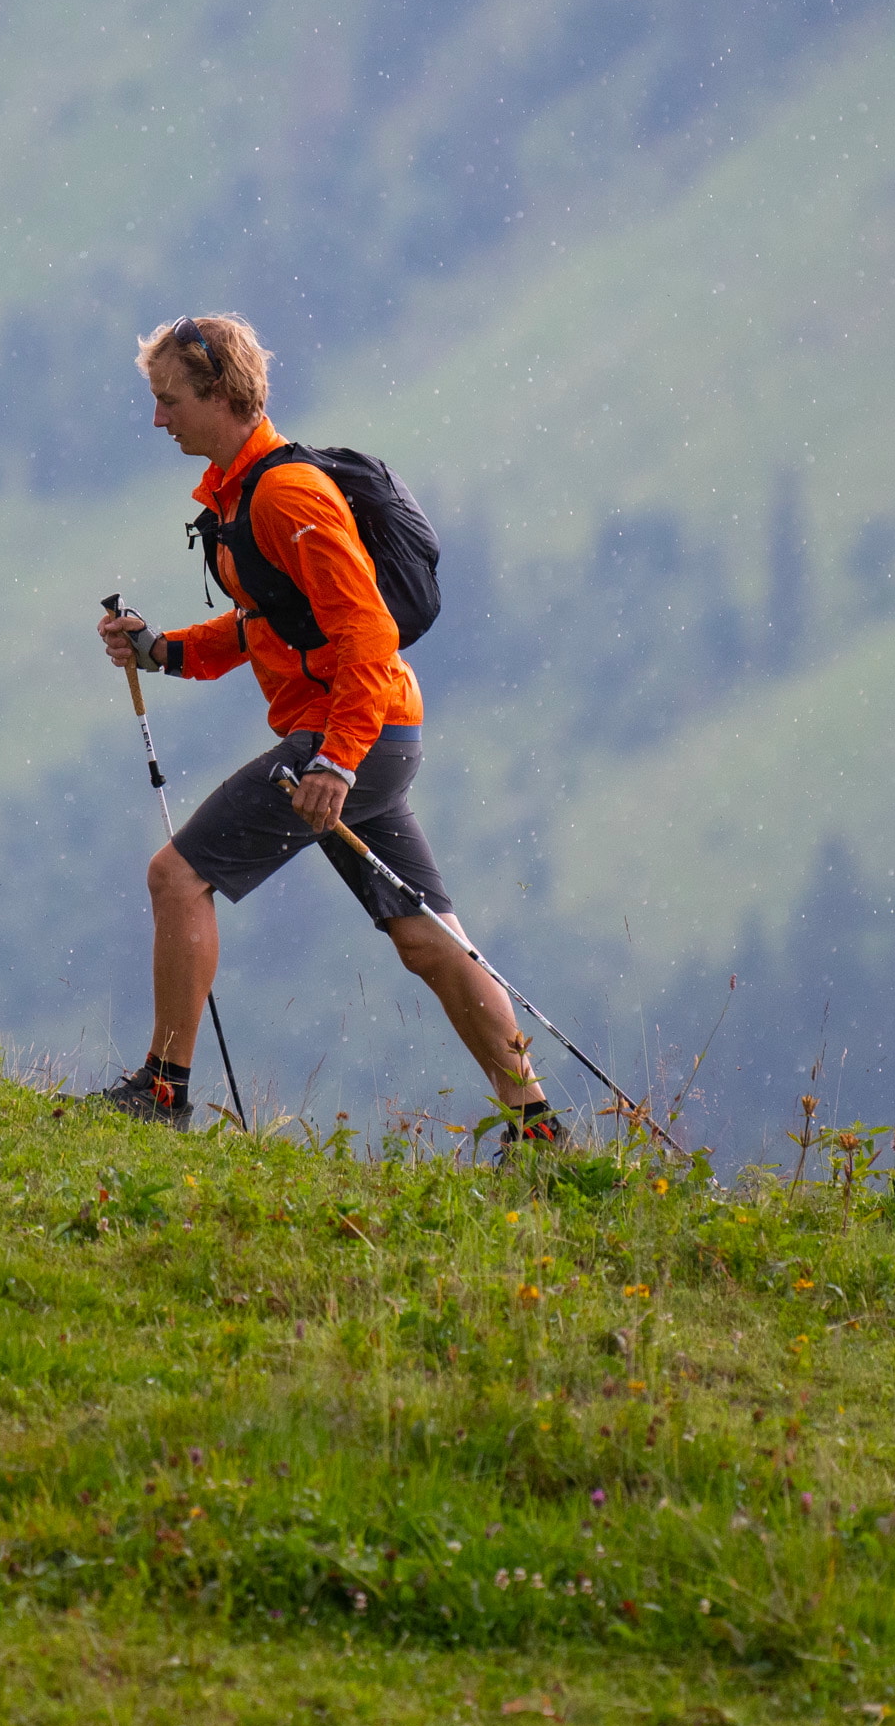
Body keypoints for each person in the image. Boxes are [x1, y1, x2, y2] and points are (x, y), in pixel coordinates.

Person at [90, 314, 561, 1147]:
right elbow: (267, 625)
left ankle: (162, 1090)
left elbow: (368, 633)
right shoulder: (243, 493)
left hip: (354, 735)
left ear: (221, 394)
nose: (157, 419)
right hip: (375, 732)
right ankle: (539, 1131)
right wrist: (163, 650)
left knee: (176, 876)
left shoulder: (286, 495)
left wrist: (338, 761)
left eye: (168, 400)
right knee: (426, 937)